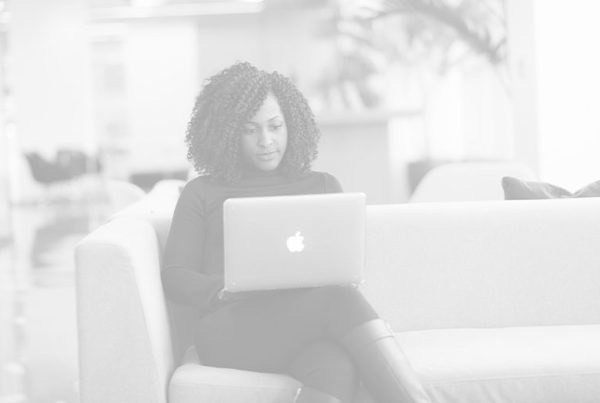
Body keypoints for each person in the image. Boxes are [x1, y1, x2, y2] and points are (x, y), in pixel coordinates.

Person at [161, 61, 431, 403]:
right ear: (227, 133)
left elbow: (341, 265)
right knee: (338, 300)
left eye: (275, 126)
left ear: (293, 124)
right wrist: (224, 289)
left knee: (335, 365)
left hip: (309, 324)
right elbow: (175, 276)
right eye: (250, 130)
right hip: (230, 331)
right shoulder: (203, 192)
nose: (266, 141)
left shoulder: (323, 186)